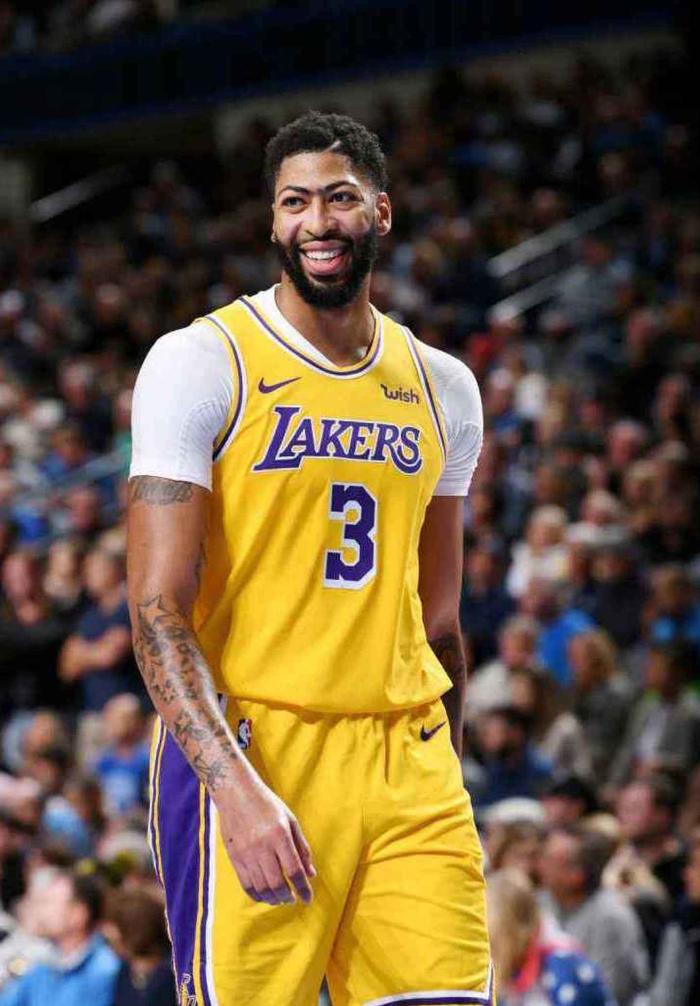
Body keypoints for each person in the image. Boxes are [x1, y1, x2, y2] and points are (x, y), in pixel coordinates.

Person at [127, 111, 491, 1005]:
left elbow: (439, 616)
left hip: (407, 754)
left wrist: (444, 766)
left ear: (382, 212)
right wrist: (234, 791)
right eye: (295, 203)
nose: (317, 222)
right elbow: (157, 610)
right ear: (272, 221)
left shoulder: (444, 385)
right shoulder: (201, 361)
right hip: (258, 748)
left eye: (339, 199)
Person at [539, 825, 649, 1006]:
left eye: (549, 860)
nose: (540, 865)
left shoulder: (611, 916)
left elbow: (611, 992)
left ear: (577, 874)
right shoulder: (542, 903)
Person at [486, 868, 613, 1006]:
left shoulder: (565, 969)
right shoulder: (511, 974)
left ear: (520, 931)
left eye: (493, 943)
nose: (487, 953)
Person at [0, 869, 120, 1006]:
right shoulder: (43, 966)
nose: (41, 911)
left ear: (78, 914)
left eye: (49, 903)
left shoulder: (105, 970)